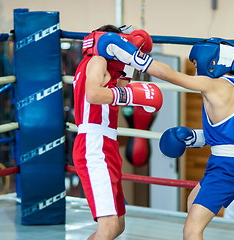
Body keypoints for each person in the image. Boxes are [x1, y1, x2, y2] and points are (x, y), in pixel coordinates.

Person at [96, 32, 234, 240]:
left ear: (212, 63)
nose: (197, 67)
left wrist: (133, 57)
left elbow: (171, 75)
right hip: (231, 162)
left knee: (191, 231)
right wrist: (191, 137)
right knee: (193, 203)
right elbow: (227, 137)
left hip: (227, 166)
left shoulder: (214, 85)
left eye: (198, 62)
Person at [72, 25, 163, 240]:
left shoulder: (107, 67)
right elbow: (94, 94)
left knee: (118, 225)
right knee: (109, 227)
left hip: (106, 145)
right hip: (93, 144)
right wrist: (131, 96)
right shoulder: (97, 61)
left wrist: (131, 57)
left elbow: (119, 88)